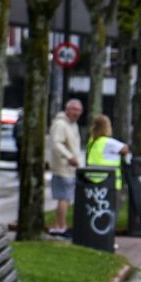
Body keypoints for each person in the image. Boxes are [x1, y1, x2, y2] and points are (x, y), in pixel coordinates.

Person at [47, 98, 84, 234]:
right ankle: (60, 226)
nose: (77, 113)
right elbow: (56, 144)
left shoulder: (73, 125)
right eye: (74, 109)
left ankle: (60, 225)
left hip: (70, 168)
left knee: (66, 198)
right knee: (64, 197)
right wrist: (69, 157)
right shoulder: (61, 125)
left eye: (79, 110)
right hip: (63, 167)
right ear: (67, 110)